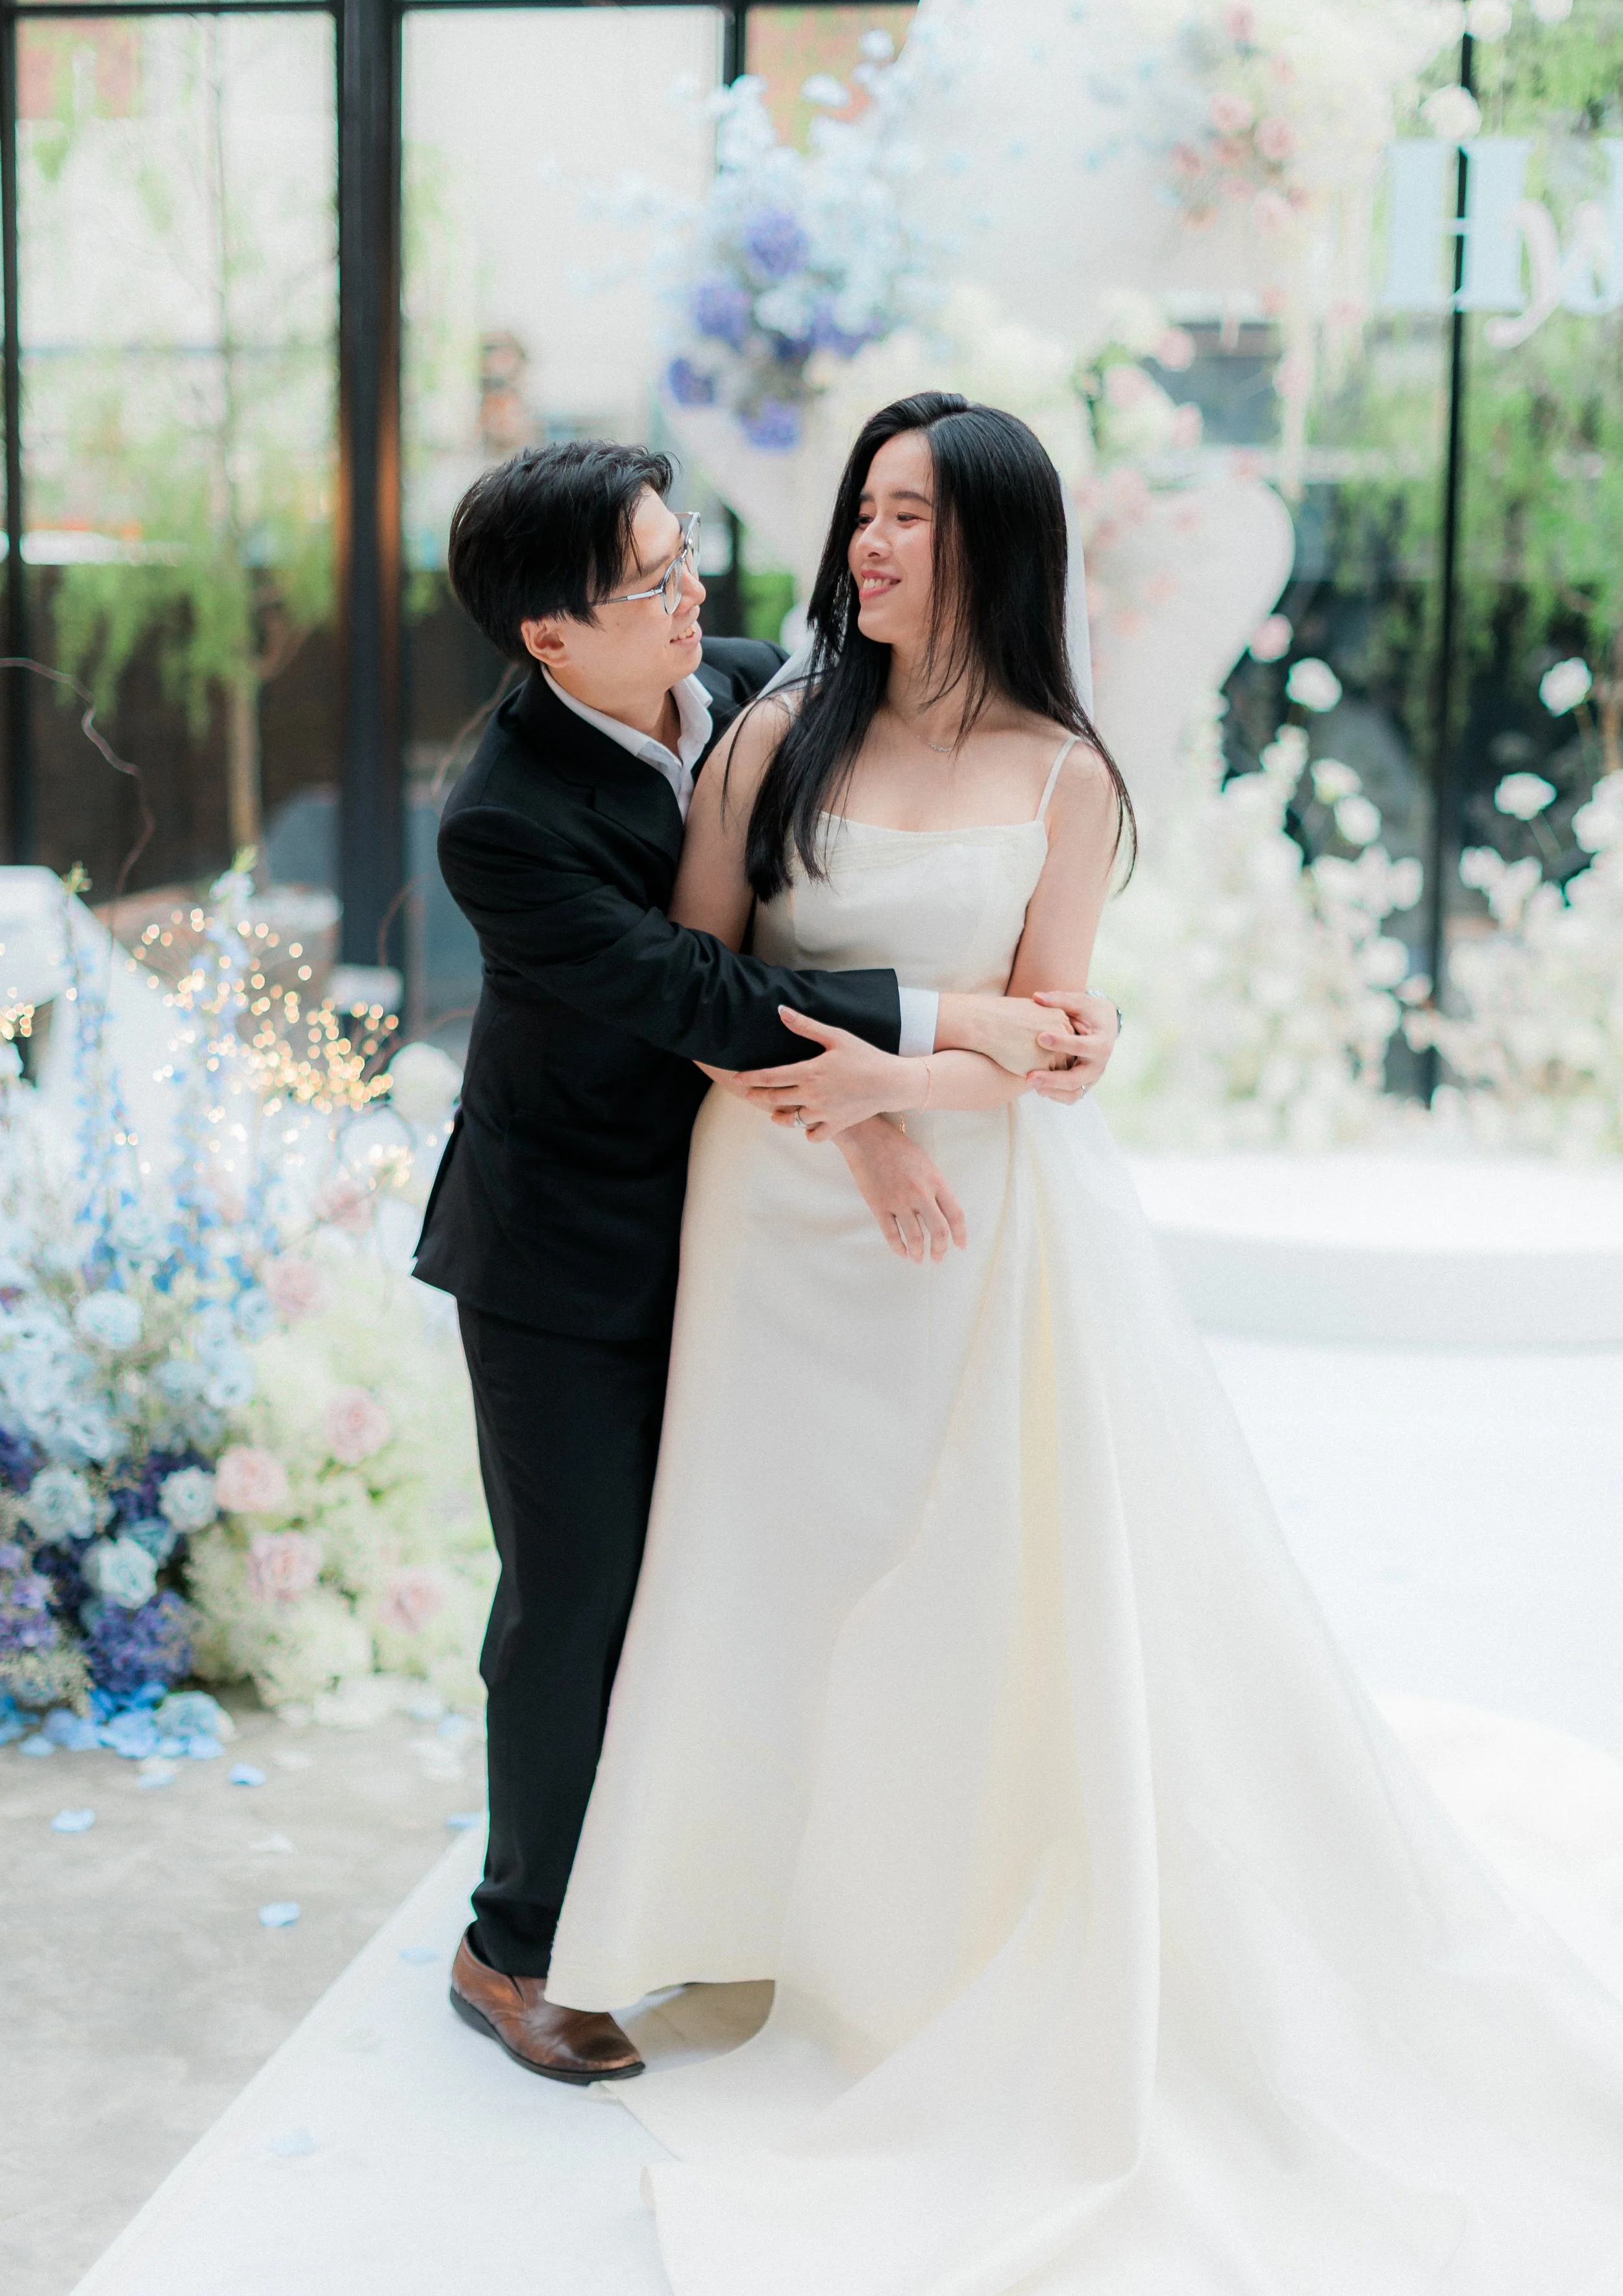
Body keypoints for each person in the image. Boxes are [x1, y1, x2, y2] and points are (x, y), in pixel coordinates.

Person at [541, 395, 1623, 2294]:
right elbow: (699, 981)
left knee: (964, 1571)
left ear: (996, 550)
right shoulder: (777, 735)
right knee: (772, 1548)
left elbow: (1053, 1025)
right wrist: (862, 1116)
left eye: (910, 519)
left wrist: (913, 1077)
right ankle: (740, 1905)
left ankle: (934, 1932)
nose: (869, 545)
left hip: (979, 1226)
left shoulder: (1067, 774)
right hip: (780, 1207)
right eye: (864, 512)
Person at [412, 438, 1120, 2085]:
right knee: (579, 1594)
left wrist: (1033, 1036)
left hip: (750, 1216)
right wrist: (957, 1038)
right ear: (548, 639)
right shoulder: (500, 821)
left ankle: (753, 1897)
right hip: (570, 1243)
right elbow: (701, 990)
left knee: (755, 1569)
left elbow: (823, 918)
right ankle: (511, 1943)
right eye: (652, 582)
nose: (695, 596)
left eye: (684, 558)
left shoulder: (745, 690)